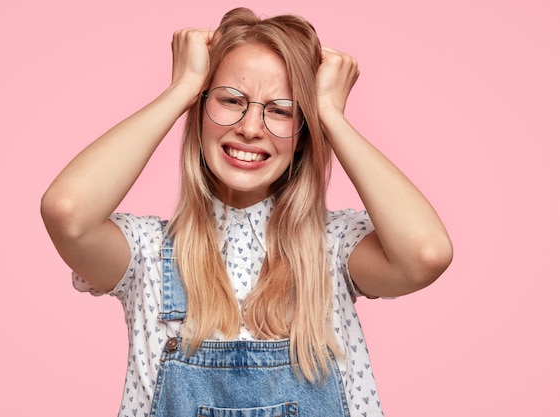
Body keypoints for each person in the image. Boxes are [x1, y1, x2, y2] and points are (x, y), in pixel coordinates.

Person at [41, 7, 452, 417]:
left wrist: (329, 113)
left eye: (281, 110)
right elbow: (67, 212)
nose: (251, 127)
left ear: (305, 136)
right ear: (199, 110)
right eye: (230, 100)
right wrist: (181, 88)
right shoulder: (147, 254)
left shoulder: (333, 248)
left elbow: (426, 254)